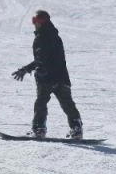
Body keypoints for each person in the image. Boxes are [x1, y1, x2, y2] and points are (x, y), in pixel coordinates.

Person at [12, 10, 83, 139]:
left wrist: (26, 69)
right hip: (61, 76)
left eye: (36, 21)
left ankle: (39, 129)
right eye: (33, 21)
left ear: (41, 22)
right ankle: (76, 128)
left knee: (41, 103)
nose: (34, 24)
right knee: (67, 103)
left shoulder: (41, 38)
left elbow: (41, 60)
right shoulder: (56, 36)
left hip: (46, 78)